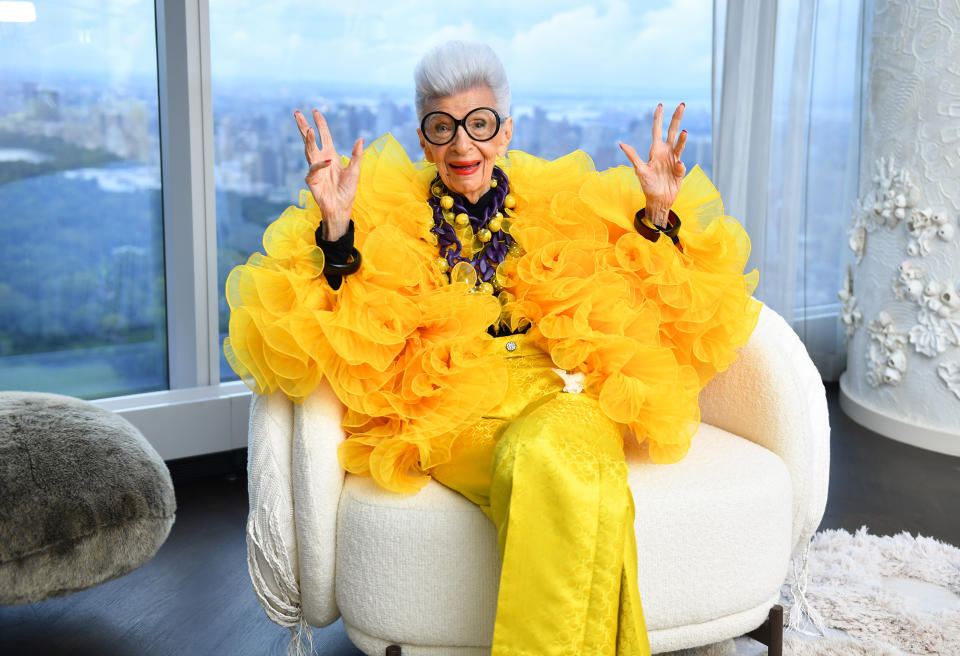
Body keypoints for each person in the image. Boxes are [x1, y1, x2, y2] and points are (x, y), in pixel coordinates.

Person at [225, 41, 760, 656]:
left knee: (555, 459)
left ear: (504, 131)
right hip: (453, 409)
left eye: (479, 124)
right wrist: (339, 230)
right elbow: (340, 320)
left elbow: (637, 288)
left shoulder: (554, 200)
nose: (462, 146)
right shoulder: (387, 212)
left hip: (562, 393)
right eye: (442, 127)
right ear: (423, 139)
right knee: (578, 484)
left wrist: (660, 213)